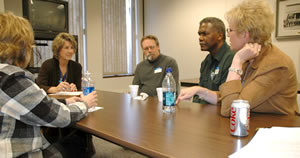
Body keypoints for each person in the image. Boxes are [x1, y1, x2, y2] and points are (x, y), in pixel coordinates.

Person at [177, 0, 298, 117]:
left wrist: (237, 61)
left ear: (245, 34)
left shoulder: (275, 64)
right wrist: (200, 91)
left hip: (274, 130)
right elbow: (230, 96)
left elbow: (230, 109)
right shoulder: (251, 57)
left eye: (230, 30)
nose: (228, 34)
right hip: (252, 125)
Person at [0, 12, 97, 157]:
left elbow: (31, 101)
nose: (32, 48)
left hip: (21, 137)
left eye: (72, 47)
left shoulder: (75, 66)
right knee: (78, 145)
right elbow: (57, 114)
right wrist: (85, 104)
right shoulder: (11, 79)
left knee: (77, 140)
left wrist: (65, 100)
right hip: (22, 150)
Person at [193, 17, 234, 104]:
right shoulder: (206, 62)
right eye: (199, 34)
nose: (200, 38)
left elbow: (225, 97)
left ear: (219, 36)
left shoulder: (231, 58)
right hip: (204, 114)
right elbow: (198, 95)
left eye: (204, 34)